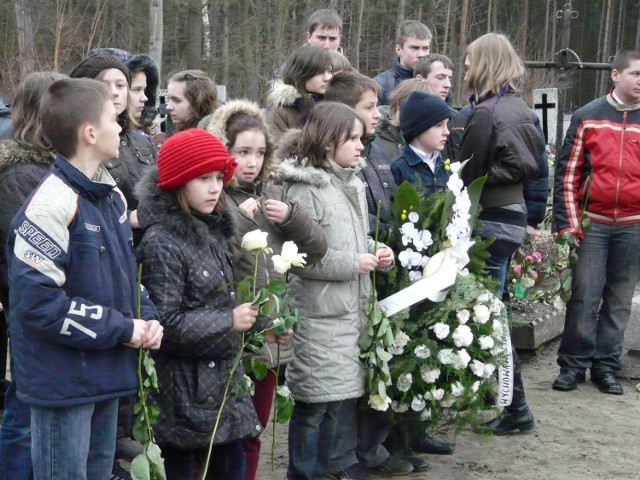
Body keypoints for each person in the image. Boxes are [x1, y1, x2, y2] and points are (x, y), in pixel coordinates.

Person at [6, 77, 163, 479]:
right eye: (114, 117)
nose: (121, 126)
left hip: (105, 372)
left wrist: (148, 316)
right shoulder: (48, 205)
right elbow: (38, 306)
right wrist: (124, 327)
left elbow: (125, 273)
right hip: (63, 386)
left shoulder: (111, 197)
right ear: (90, 133)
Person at [200, 99, 327, 480]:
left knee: (255, 428)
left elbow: (316, 248)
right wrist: (240, 216)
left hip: (269, 333)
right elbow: (214, 252)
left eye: (259, 153)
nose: (251, 162)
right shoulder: (211, 195)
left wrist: (292, 216)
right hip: (230, 332)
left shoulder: (272, 191)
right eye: (241, 152)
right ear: (223, 150)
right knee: (223, 432)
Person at [136, 129, 261, 479]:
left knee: (232, 465)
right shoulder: (162, 242)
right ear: (178, 182)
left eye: (219, 177)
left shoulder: (211, 230)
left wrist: (259, 319)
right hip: (183, 396)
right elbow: (164, 324)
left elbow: (218, 296)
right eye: (203, 178)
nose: (214, 187)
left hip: (218, 390)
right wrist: (227, 321)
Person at [278, 102, 394, 480]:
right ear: (329, 143)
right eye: (353, 138)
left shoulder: (351, 183)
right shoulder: (306, 190)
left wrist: (375, 252)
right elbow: (299, 258)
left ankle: (327, 470)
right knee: (313, 408)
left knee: (337, 405)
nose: (362, 146)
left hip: (347, 313)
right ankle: (303, 474)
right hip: (319, 316)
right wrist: (352, 263)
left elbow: (351, 241)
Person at [455, 33, 543, 435]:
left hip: (488, 214)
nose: (465, 69)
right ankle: (507, 400)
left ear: (485, 63)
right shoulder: (520, 108)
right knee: (496, 310)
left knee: (493, 318)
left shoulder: (486, 113)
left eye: (470, 61)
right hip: (513, 213)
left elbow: (467, 170)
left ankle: (516, 406)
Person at [551, 47, 640, 396]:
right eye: (636, 74)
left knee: (619, 298)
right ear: (615, 75)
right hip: (594, 222)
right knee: (585, 295)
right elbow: (568, 172)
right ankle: (573, 365)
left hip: (634, 224)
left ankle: (606, 366)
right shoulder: (589, 116)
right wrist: (570, 223)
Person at [0, 70, 66, 480]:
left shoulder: (53, 169)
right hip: (31, 308)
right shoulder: (19, 176)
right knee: (23, 414)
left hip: (50, 308)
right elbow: (29, 252)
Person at [69, 54, 157, 220]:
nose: (114, 93)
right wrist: (130, 219)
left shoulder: (143, 141)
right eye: (103, 85)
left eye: (121, 85)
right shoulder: (79, 142)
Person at [267, 46, 333, 142]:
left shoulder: (338, 106)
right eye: (319, 72)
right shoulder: (281, 113)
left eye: (329, 71)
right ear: (301, 74)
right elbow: (276, 153)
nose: (327, 78)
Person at [391, 90, 452, 195]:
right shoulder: (398, 168)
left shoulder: (445, 166)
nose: (447, 132)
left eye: (447, 124)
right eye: (439, 125)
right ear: (418, 129)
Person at [413, 54, 462, 162]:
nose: (448, 84)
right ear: (419, 79)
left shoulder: (456, 117)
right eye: (440, 77)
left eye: (449, 78)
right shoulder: (407, 119)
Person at [375, 79, 435, 166]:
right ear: (399, 104)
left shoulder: (426, 142)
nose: (421, 116)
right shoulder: (375, 140)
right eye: (417, 109)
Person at [273, 9, 345, 82]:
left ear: (339, 39)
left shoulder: (350, 73)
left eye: (332, 39)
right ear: (309, 37)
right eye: (321, 38)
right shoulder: (288, 71)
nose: (326, 45)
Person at [373, 20, 432, 106]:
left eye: (425, 48)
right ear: (399, 49)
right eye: (414, 48)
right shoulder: (380, 85)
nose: (421, 54)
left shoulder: (437, 82)